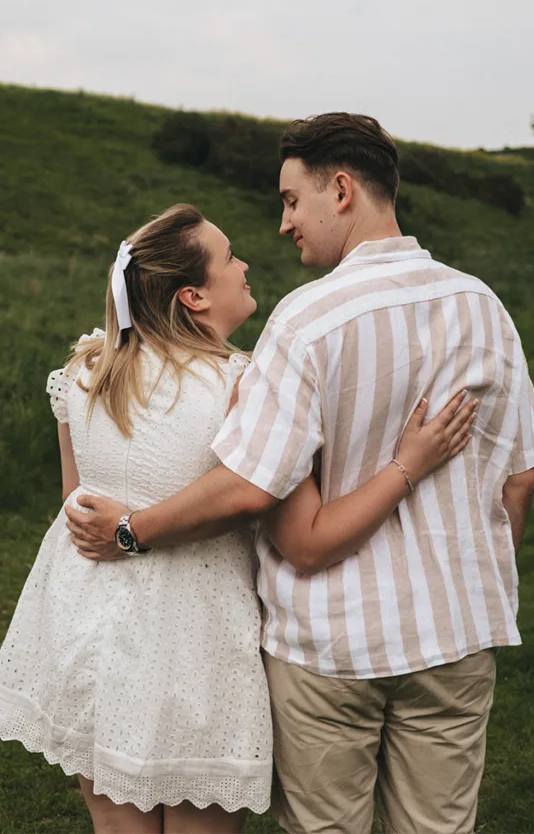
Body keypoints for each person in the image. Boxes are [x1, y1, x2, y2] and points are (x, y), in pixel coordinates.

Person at [65, 113, 534, 834]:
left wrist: (131, 530)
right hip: (456, 635)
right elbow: (519, 479)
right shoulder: (484, 307)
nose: (283, 224)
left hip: (331, 643)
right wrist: (471, 578)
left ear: (341, 189)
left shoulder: (305, 321)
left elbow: (259, 492)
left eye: (291, 200)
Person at [0, 202, 474, 834]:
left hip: (87, 630)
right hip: (194, 638)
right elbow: (277, 515)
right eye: (230, 258)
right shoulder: (241, 385)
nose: (245, 264)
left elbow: (74, 506)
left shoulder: (87, 369)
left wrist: (123, 527)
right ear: (194, 295)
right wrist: (406, 464)